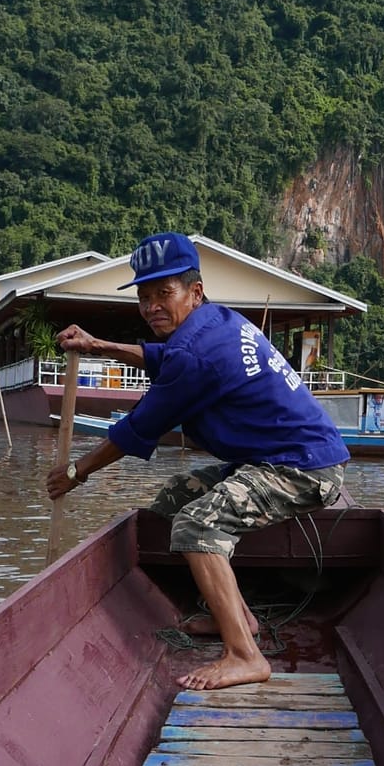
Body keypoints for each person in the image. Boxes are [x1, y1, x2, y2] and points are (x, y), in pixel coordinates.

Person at [45, 232, 350, 690]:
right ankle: (237, 616)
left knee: (197, 525)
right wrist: (98, 345)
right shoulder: (215, 323)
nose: (151, 308)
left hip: (302, 469)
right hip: (269, 459)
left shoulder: (196, 354)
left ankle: (245, 656)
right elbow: (161, 356)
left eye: (163, 294)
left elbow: (134, 430)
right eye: (144, 297)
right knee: (174, 499)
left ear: (195, 291)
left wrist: (74, 473)